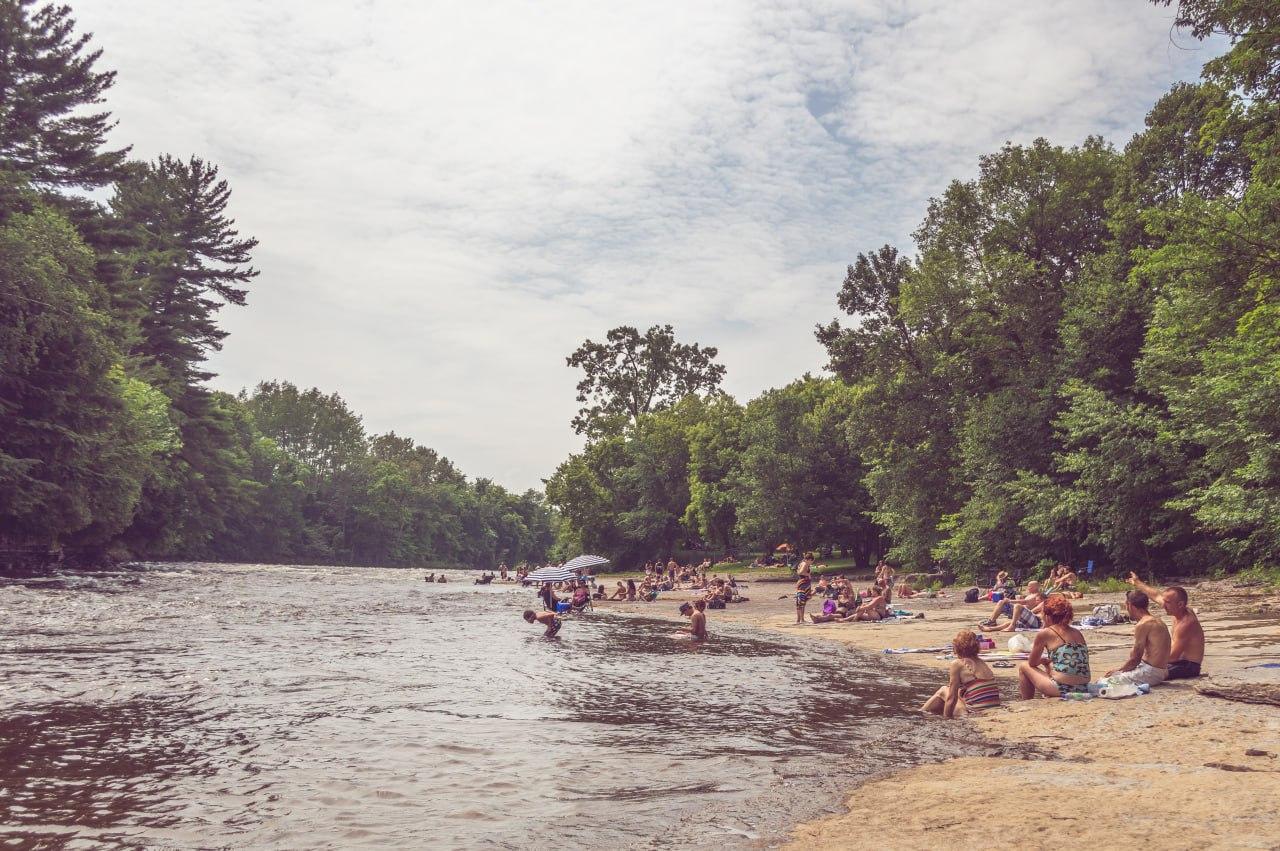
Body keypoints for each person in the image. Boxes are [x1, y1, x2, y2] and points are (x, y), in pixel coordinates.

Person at [1126, 573, 1205, 679]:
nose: (1163, 604)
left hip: (1187, 666)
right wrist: (1137, 582)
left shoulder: (1186, 623)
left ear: (1180, 604)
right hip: (1177, 662)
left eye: (1167, 602)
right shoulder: (1177, 609)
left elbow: (1172, 657)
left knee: (1150, 672)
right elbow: (1156, 595)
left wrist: (1149, 655)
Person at [1015, 594, 1091, 699]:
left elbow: (1032, 663)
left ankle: (1027, 700)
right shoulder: (1077, 632)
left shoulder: (1046, 633)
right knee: (1051, 664)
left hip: (1061, 688)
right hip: (1084, 687)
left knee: (1024, 666)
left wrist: (1042, 661)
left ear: (1047, 616)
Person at [1100, 590, 1171, 688]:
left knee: (1104, 683)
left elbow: (1135, 659)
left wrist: (1118, 671)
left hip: (1151, 672)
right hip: (1161, 670)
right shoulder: (1158, 621)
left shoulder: (1143, 624)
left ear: (1130, 605)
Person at [923, 630, 1001, 718]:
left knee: (943, 690)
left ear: (957, 648)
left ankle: (921, 713)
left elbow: (951, 699)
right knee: (956, 692)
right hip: (992, 709)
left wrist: (946, 720)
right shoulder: (981, 662)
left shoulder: (958, 664)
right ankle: (924, 712)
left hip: (974, 713)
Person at [794, 557, 813, 624]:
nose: (811, 562)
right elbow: (800, 572)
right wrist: (808, 574)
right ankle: (800, 620)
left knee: (800, 602)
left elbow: (798, 571)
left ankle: (800, 619)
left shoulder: (801, 563)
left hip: (802, 583)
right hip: (803, 584)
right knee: (801, 602)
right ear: (809, 559)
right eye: (811, 561)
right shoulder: (805, 564)